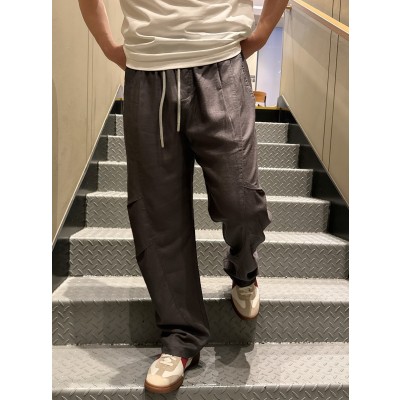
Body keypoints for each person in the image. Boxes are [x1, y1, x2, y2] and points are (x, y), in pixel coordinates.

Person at [78, 0, 288, 394]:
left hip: (222, 62)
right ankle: (180, 337)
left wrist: (262, 32)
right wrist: (108, 45)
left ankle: (244, 269)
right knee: (157, 214)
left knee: (242, 200)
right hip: (148, 71)